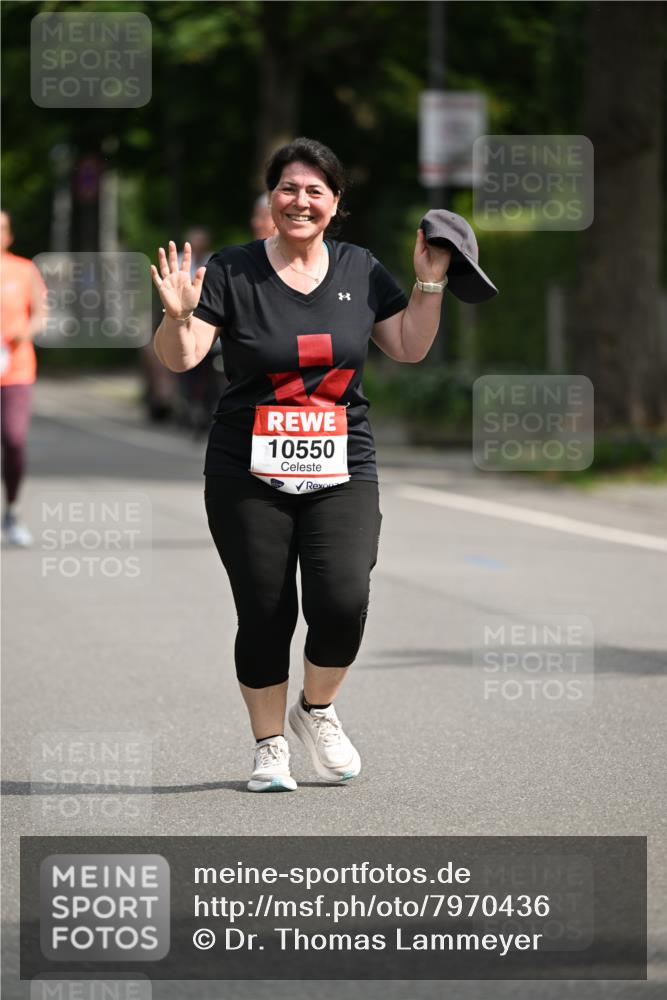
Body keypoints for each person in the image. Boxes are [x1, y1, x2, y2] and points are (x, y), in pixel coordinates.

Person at [150, 137, 450, 792]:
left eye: (315, 190)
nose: (299, 201)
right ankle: (268, 747)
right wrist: (178, 317)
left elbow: (405, 345)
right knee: (264, 610)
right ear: (270, 197)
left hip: (343, 463)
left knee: (343, 599)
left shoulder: (359, 269)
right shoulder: (232, 270)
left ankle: (315, 710)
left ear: (335, 203)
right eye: (287, 188)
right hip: (244, 470)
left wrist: (429, 282)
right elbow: (182, 357)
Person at [1, 210, 48, 547]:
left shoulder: (24, 269)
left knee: (14, 439)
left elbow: (41, 315)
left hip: (15, 370)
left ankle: (12, 510)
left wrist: (21, 334)